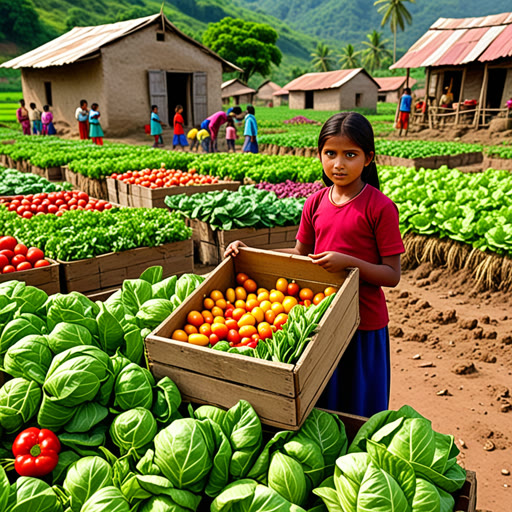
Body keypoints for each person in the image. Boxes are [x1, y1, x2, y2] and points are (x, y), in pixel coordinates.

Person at [225, 112, 404, 418]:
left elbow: (392, 275)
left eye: (351, 155)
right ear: (319, 154)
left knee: (360, 405)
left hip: (364, 321)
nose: (339, 163)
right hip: (319, 318)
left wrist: (349, 263)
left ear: (369, 158)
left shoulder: (380, 207)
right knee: (326, 402)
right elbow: (299, 255)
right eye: (330, 153)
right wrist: (249, 250)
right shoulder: (316, 202)